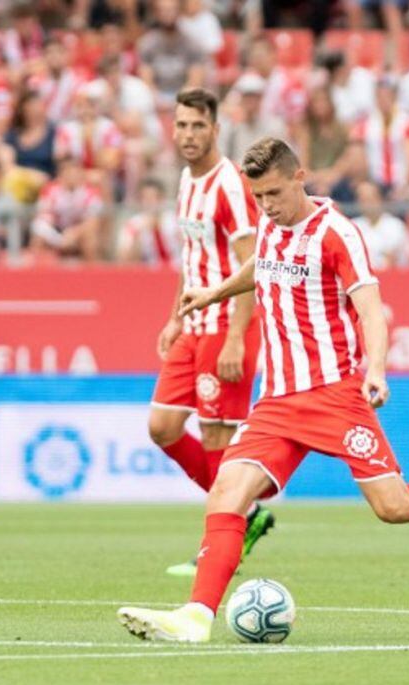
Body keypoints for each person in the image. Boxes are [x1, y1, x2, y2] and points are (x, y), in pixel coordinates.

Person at [116, 137, 409, 643]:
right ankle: (196, 616)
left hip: (334, 395)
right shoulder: (270, 224)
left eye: (274, 193)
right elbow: (261, 264)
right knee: (227, 492)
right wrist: (214, 293)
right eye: (258, 197)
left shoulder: (337, 233)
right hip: (277, 401)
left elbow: (371, 310)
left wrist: (375, 369)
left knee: (396, 507)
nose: (266, 206)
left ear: (299, 177)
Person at [148, 88, 271, 578]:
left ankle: (217, 549)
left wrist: (238, 336)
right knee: (162, 427)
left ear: (216, 130)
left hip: (225, 325)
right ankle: (245, 511)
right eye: (181, 125)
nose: (188, 135)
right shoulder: (186, 179)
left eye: (198, 126)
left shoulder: (229, 186)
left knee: (217, 436)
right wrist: (174, 317)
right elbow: (192, 256)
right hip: (194, 323)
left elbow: (251, 266)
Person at [350, 76, 409, 198]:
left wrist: (405, 183)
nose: (383, 100)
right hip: (376, 181)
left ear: (394, 97)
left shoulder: (408, 123)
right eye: (379, 96)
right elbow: (358, 152)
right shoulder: (367, 123)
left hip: (400, 180)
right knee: (365, 191)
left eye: (387, 96)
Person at [29, 157, 104, 260]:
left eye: (75, 173)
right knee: (38, 239)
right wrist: (57, 238)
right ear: (61, 175)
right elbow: (42, 217)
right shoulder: (50, 190)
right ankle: (37, 269)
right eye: (68, 173)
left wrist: (74, 233)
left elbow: (93, 221)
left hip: (78, 233)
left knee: (90, 239)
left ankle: (93, 269)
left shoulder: (90, 193)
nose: (72, 176)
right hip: (56, 232)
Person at [219, 73, 286, 163]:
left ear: (261, 98)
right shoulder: (231, 127)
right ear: (241, 98)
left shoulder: (275, 127)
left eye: (255, 97)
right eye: (248, 96)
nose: (251, 101)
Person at [116, 177, 180, 267]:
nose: (149, 202)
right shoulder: (133, 224)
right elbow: (124, 260)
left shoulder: (175, 220)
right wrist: (137, 235)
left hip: (177, 267)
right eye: (145, 198)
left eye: (154, 198)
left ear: (162, 199)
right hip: (150, 270)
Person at [351, 180, 408, 268]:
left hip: (391, 274)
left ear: (380, 199)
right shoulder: (353, 226)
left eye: (371, 199)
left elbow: (392, 259)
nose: (368, 204)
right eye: (363, 200)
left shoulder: (396, 225)